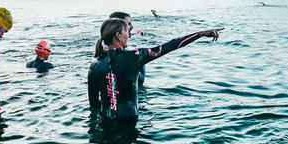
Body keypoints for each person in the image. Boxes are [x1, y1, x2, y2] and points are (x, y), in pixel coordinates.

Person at [88, 18, 222, 128]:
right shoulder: (135, 56)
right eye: (126, 32)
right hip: (129, 120)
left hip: (105, 122)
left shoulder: (95, 64)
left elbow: (94, 103)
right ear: (118, 36)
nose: (128, 35)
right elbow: (170, 45)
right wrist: (200, 34)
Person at [109, 11, 145, 85]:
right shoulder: (128, 57)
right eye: (128, 24)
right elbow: (140, 81)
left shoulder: (100, 58)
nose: (132, 27)